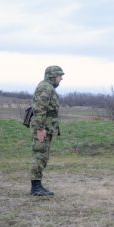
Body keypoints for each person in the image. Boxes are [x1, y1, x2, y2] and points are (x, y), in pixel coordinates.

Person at [29, 65, 64, 196]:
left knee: (42, 156)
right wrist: (40, 128)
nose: (61, 78)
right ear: (53, 76)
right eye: (60, 75)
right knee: (39, 156)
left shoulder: (48, 88)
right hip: (42, 128)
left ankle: (38, 185)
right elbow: (39, 109)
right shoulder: (45, 87)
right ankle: (35, 188)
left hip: (46, 128)